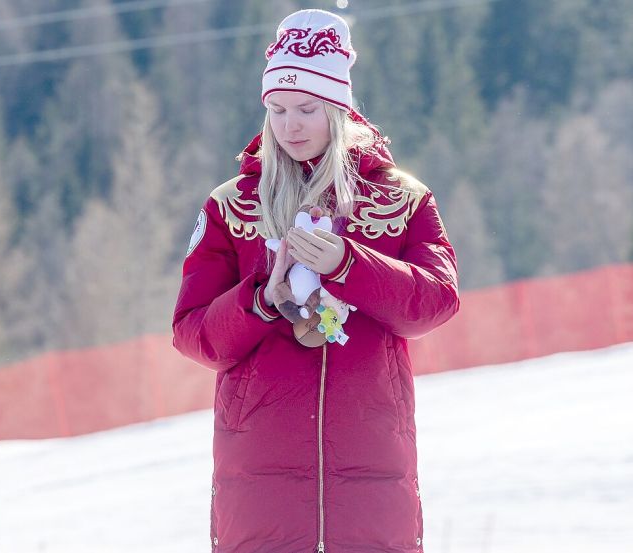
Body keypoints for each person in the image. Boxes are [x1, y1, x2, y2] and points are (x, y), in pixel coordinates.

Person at [172, 9, 459, 552]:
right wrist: (261, 300)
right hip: (258, 481)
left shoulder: (401, 199)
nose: (290, 125)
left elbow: (438, 300)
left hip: (373, 472)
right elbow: (192, 333)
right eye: (277, 110)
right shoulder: (231, 205)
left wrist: (349, 266)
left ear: (340, 108)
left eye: (307, 109)